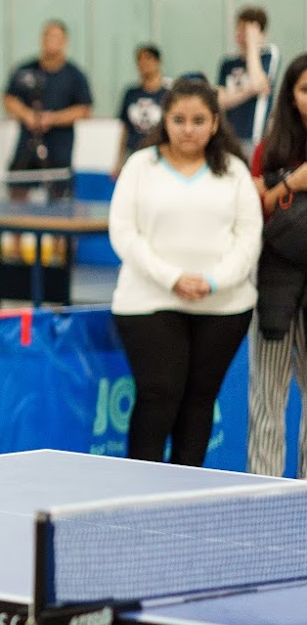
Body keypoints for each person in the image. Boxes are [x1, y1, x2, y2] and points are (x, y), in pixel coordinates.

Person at [108, 77, 260, 466]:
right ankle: (138, 497)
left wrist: (212, 281)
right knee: (160, 391)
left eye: (198, 120)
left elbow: (249, 238)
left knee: (199, 398)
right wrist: (171, 278)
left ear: (214, 123)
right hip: (148, 300)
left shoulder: (235, 170)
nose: (188, 129)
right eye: (178, 120)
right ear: (165, 120)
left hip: (224, 306)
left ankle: (184, 496)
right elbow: (124, 232)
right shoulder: (141, 166)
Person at [246, 52, 307, 478]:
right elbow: (252, 205)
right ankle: (262, 496)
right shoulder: (271, 148)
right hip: (275, 280)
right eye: (305, 90)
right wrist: (292, 182)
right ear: (291, 94)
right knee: (267, 398)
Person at [1, 20, 92, 260]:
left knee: (59, 199)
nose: (52, 41)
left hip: (59, 146)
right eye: (48, 36)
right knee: (18, 193)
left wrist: (53, 119)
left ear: (65, 41)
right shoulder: (26, 70)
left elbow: (84, 109)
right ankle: (16, 251)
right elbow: (9, 99)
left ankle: (58, 251)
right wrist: (28, 115)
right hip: (27, 145)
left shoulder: (74, 75)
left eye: (57, 37)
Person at [216, 5, 280, 159]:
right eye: (239, 28)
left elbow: (258, 83)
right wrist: (250, 90)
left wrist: (252, 45)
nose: (241, 34)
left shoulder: (268, 54)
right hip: (228, 136)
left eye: (248, 30)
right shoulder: (228, 62)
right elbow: (219, 100)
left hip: (254, 136)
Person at [114, 43, 169, 178]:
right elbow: (125, 128)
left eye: (148, 58)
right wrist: (118, 161)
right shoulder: (130, 93)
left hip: (159, 152)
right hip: (134, 152)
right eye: (140, 59)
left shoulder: (168, 94)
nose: (143, 63)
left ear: (158, 61)